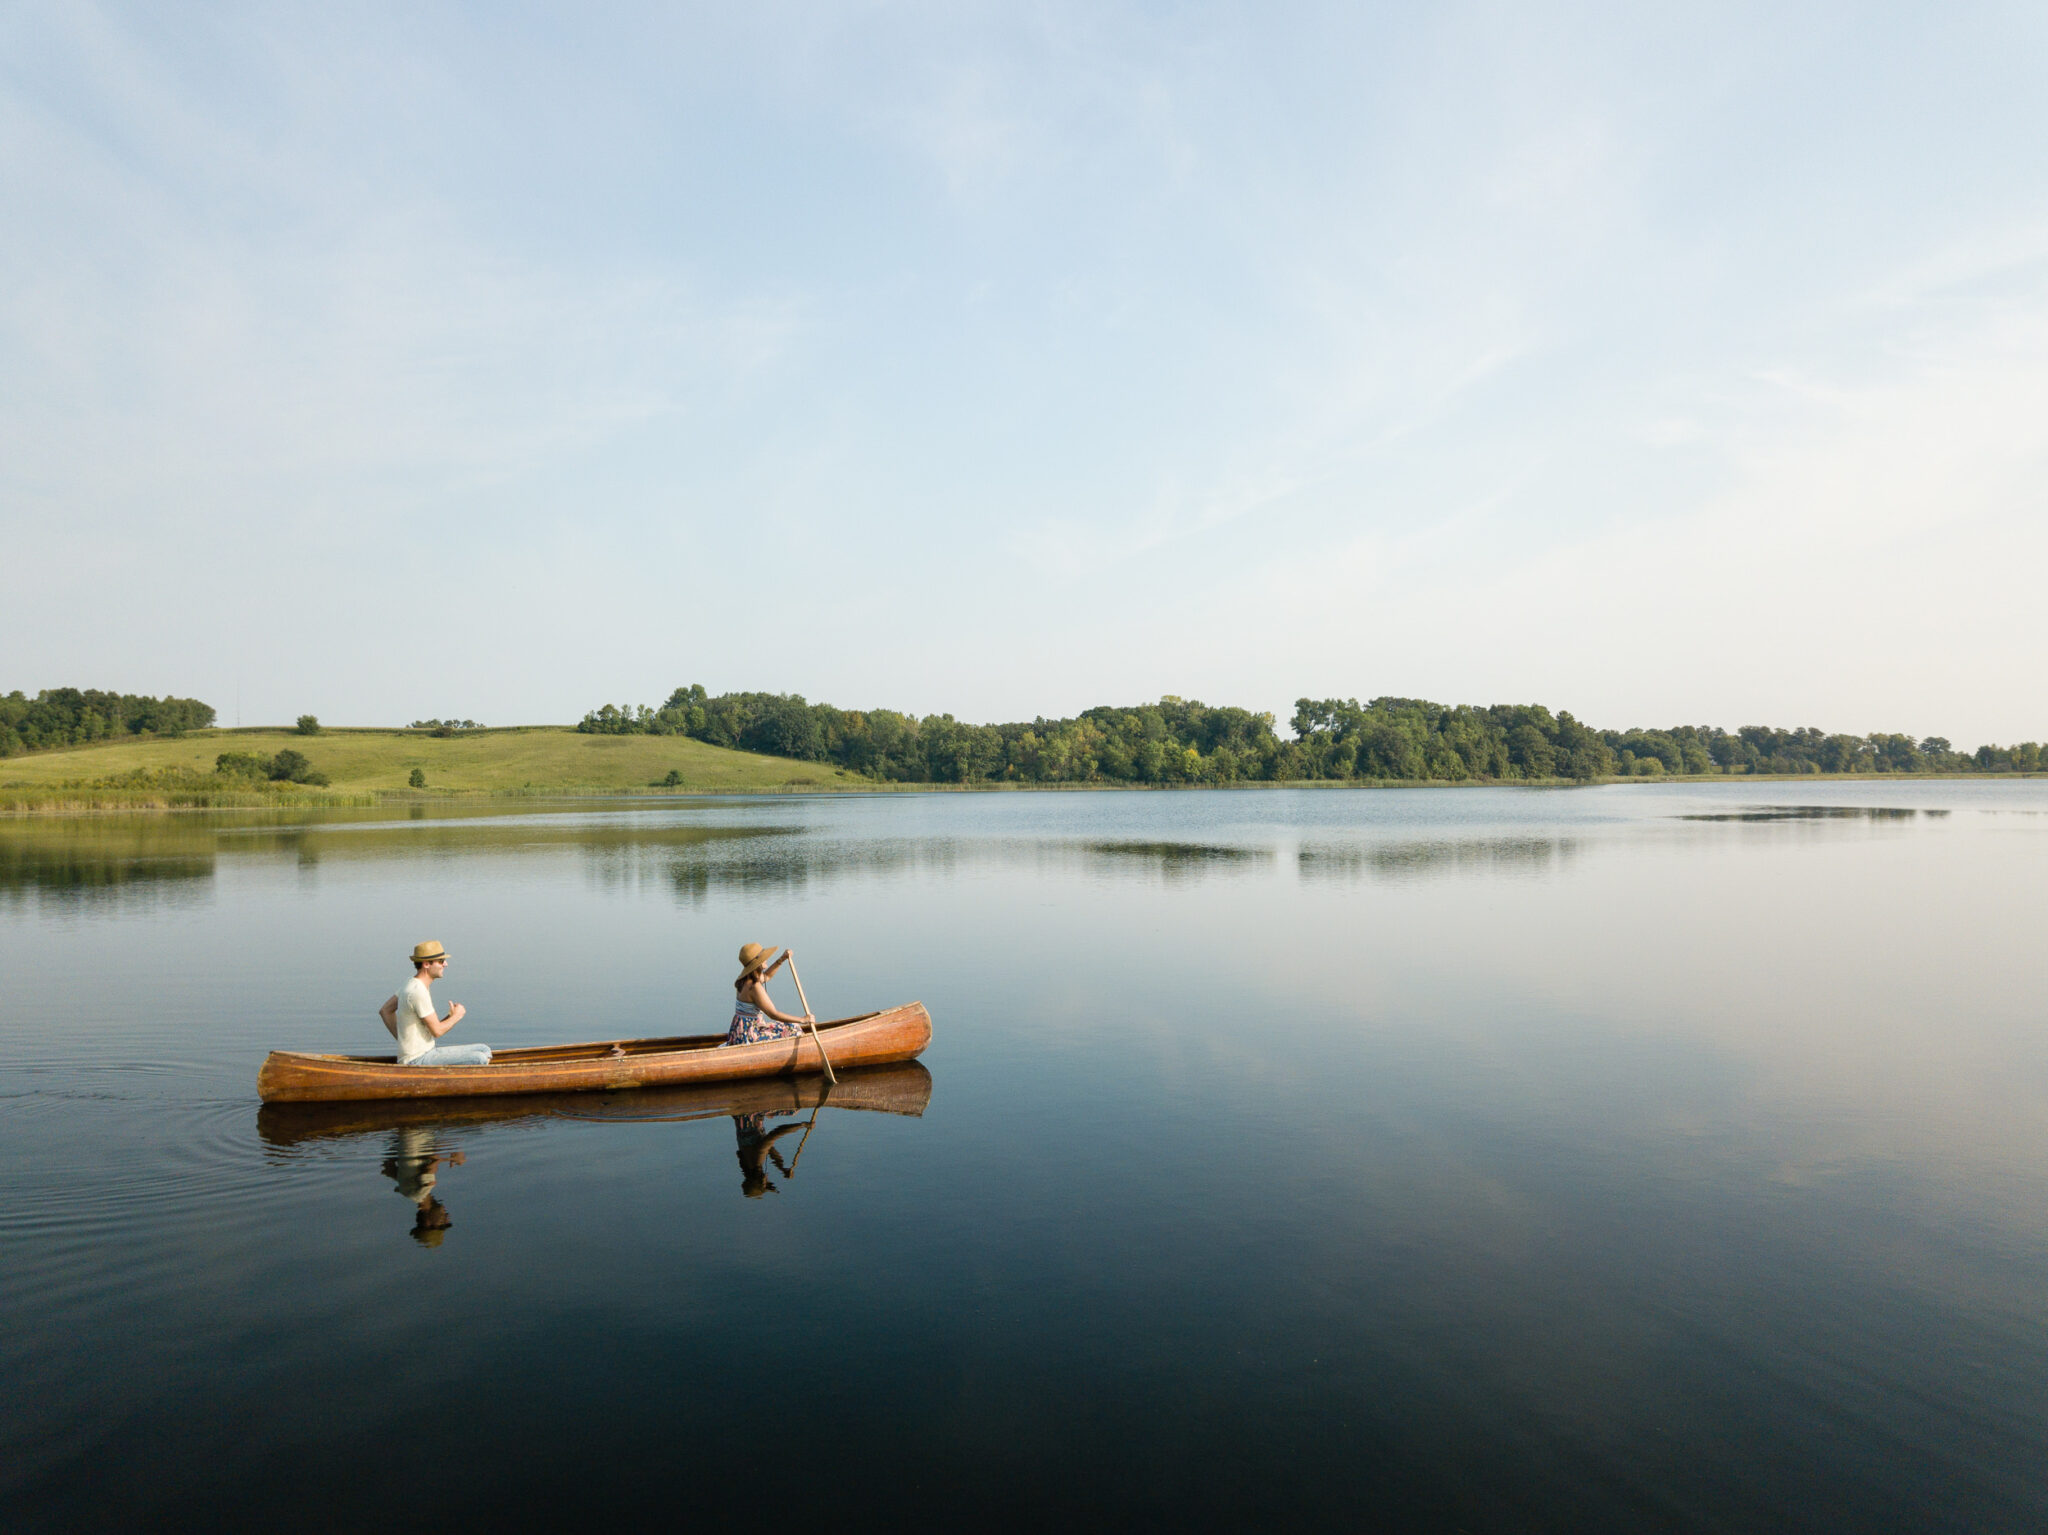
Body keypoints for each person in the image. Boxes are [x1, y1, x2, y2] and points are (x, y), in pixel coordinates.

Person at [379, 941, 492, 1066]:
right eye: (441, 961)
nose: (446, 964)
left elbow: (385, 1011)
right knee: (479, 1058)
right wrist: (457, 1016)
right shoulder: (417, 992)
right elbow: (437, 1031)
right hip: (416, 1060)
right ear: (426, 964)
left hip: (428, 1051)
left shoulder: (411, 983)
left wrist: (403, 1039)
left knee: (484, 1049)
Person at [724, 942, 813, 1046]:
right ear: (757, 963)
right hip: (749, 1035)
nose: (766, 959)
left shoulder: (744, 980)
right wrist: (802, 1019)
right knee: (794, 1029)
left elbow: (767, 976)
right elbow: (773, 1014)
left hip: (739, 1032)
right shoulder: (754, 987)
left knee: (790, 1025)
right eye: (763, 957)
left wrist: (781, 959)